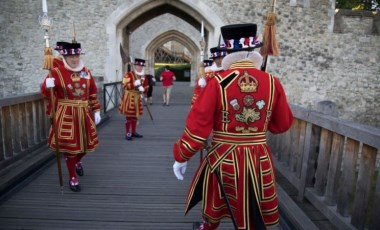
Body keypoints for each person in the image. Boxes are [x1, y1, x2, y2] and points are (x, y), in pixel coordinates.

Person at [172, 23, 294, 230]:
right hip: (258, 157)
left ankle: (208, 226)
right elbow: (282, 125)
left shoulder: (218, 82)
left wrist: (181, 156)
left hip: (224, 156)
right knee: (254, 209)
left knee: (216, 203)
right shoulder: (272, 82)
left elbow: (198, 126)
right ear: (253, 48)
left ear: (227, 50)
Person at [41, 41, 101, 192]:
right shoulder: (56, 72)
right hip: (66, 114)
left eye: (76, 55)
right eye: (70, 56)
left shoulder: (86, 72)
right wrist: (46, 85)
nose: (74, 59)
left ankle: (76, 162)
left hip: (84, 113)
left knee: (85, 146)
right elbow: (47, 93)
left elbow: (92, 92)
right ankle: (72, 177)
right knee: (71, 149)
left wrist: (97, 110)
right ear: (65, 57)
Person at [118, 58, 148, 140]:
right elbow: (124, 85)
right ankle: (128, 133)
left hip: (138, 97)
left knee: (135, 116)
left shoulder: (143, 76)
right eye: (138, 66)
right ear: (135, 66)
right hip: (129, 97)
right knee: (129, 116)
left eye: (141, 66)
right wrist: (133, 84)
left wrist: (144, 89)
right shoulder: (128, 75)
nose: (140, 68)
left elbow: (147, 86)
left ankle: (134, 132)